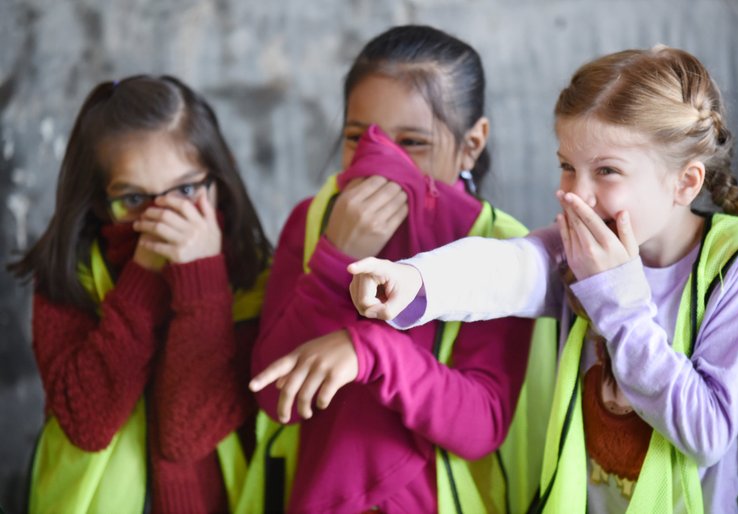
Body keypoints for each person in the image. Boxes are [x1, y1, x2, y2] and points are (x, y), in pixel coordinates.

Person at [349, 46, 738, 513]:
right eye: (567, 166)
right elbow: (509, 267)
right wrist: (415, 278)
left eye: (606, 171)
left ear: (685, 183)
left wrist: (617, 299)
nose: (574, 194)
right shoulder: (580, 245)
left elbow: (706, 434)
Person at [248, 25, 540, 513]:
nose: (379, 161)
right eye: (357, 137)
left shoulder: (499, 248)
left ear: (471, 144)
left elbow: (482, 423)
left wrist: (371, 351)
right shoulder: (314, 220)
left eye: (413, 143)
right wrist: (333, 261)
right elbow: (272, 394)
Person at [8, 75, 272, 514]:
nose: (162, 219)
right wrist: (144, 274)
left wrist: (202, 281)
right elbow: (87, 425)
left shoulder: (253, 282)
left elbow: (183, 435)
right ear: (97, 201)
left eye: (186, 190)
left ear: (218, 181)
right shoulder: (70, 280)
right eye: (134, 199)